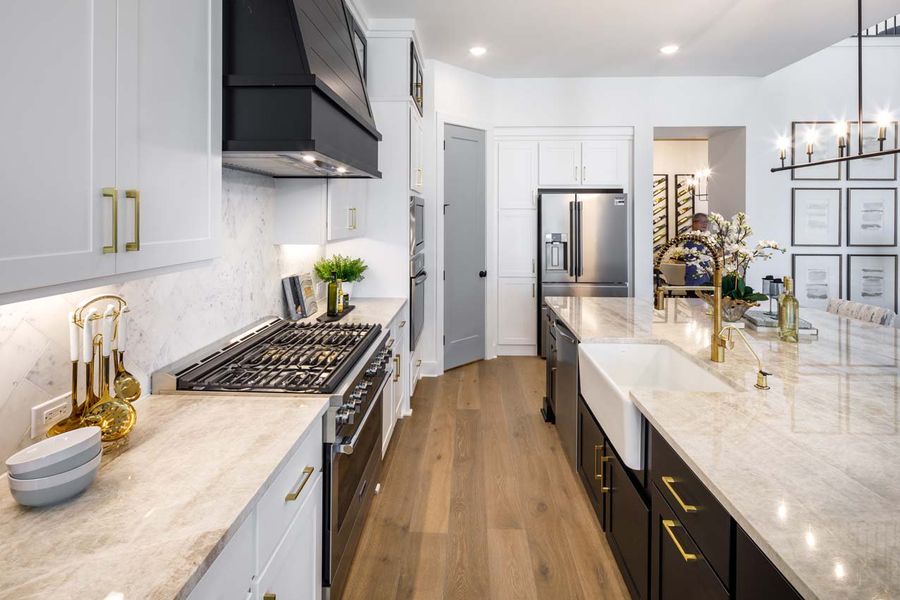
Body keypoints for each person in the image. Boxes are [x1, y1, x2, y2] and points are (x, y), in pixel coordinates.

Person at [683, 213, 712, 288]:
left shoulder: (706, 237)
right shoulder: (690, 238)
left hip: (706, 275)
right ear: (694, 223)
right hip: (695, 276)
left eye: (706, 222)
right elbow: (698, 255)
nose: (704, 224)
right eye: (701, 222)